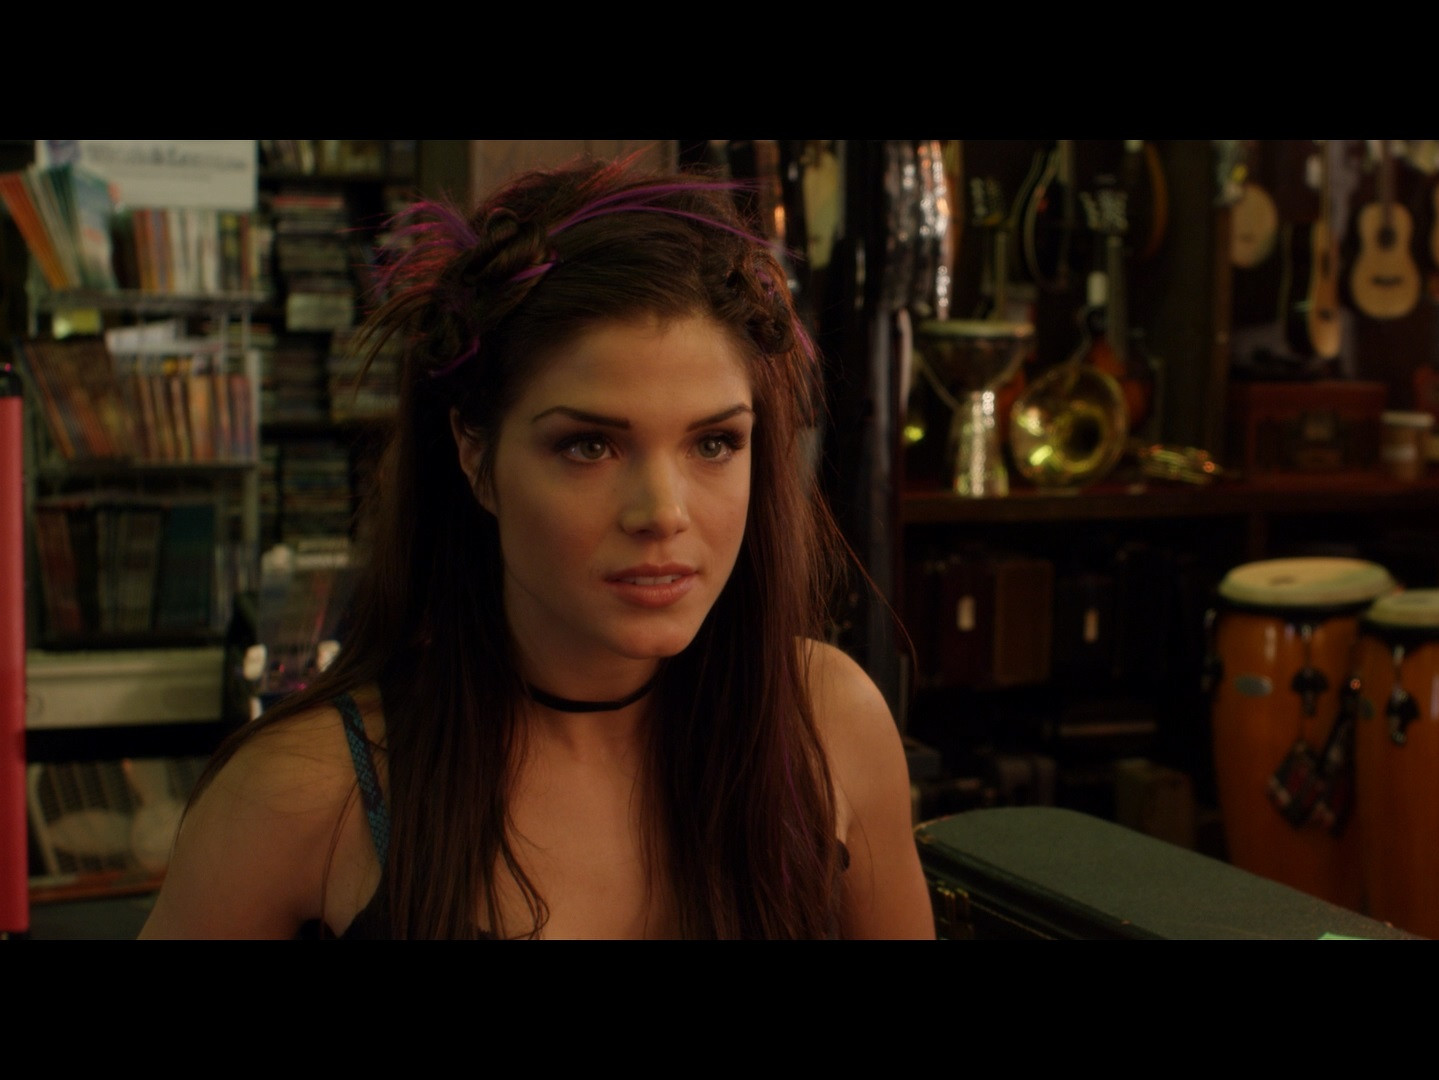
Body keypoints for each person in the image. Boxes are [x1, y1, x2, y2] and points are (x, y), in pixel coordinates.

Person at [140, 156, 936, 939]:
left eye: (714, 443)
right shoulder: (306, 792)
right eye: (589, 446)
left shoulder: (827, 723)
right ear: (474, 453)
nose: (663, 513)